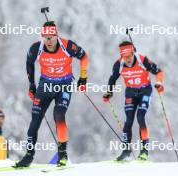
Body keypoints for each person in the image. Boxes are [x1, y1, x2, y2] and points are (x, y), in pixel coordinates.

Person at [15, 21, 88, 167]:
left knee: (59, 115)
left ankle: (62, 155)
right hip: (45, 85)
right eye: (45, 37)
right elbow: (29, 64)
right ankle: (29, 156)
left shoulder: (67, 46)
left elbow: (84, 56)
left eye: (51, 37)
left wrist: (83, 78)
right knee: (35, 120)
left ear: (56, 36)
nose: (48, 41)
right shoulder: (36, 48)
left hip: (64, 85)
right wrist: (32, 85)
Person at [103, 41, 164, 161]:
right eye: (125, 57)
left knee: (140, 117)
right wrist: (109, 92)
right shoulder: (119, 64)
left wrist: (159, 82)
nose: (128, 59)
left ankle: (144, 151)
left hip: (145, 91)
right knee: (128, 121)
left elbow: (159, 71)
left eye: (129, 56)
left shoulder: (142, 60)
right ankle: (126, 152)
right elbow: (112, 79)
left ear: (133, 52)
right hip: (130, 92)